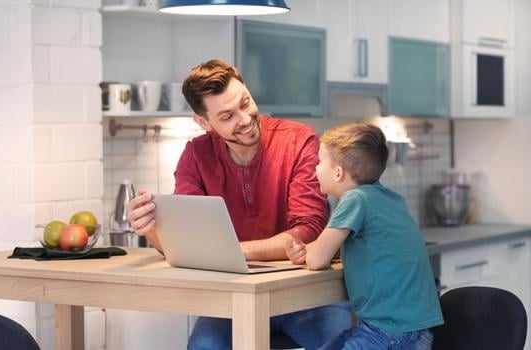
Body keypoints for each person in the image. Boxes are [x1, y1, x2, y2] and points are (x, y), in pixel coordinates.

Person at [127, 59, 352, 349]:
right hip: (234, 298)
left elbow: (308, 230)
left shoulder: (298, 140)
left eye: (245, 103)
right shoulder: (196, 155)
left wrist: (231, 252)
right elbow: (190, 241)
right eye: (227, 116)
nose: (245, 119)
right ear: (204, 122)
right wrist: (150, 228)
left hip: (306, 296)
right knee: (204, 347)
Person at [285, 123, 444, 350]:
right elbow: (332, 250)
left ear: (338, 173)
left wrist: (305, 253)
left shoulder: (355, 200)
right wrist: (304, 250)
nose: (315, 170)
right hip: (408, 331)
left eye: (319, 163)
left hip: (391, 332)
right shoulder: (387, 198)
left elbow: (318, 259)